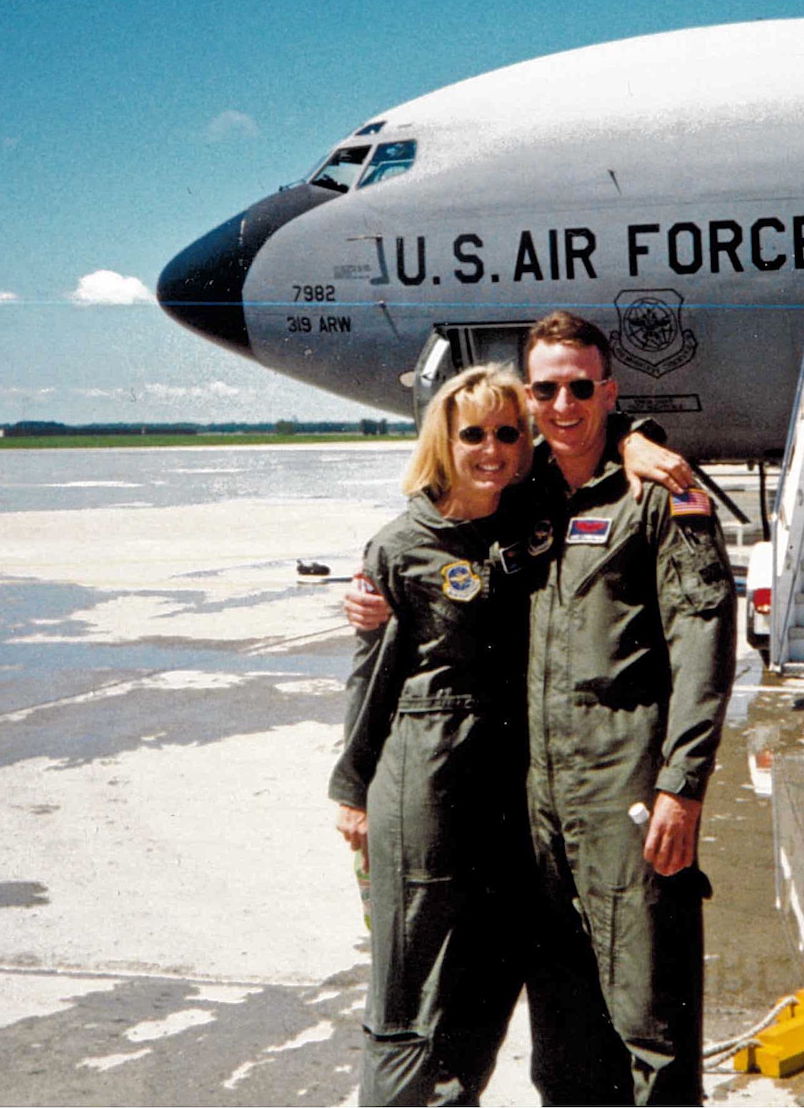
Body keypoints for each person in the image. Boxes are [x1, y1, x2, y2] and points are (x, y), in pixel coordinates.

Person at [348, 315, 736, 1106]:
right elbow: (440, 531)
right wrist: (374, 591)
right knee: (563, 1033)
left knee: (650, 1020)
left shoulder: (656, 495)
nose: (564, 404)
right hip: (535, 812)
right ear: (531, 396)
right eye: (548, 388)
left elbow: (704, 639)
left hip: (625, 795)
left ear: (608, 391)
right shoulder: (521, 500)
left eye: (581, 387)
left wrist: (683, 783)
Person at [329, 364, 538, 1106]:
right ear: (444, 441)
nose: (491, 449)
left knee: (488, 970)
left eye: (507, 433)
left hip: (511, 784)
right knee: (407, 980)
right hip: (426, 780)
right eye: (473, 433)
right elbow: (371, 678)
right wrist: (352, 790)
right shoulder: (400, 546)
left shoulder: (528, 523)